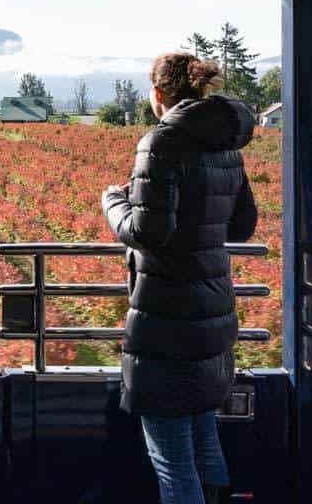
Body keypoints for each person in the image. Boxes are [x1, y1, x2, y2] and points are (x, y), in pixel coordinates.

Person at [101, 53, 257, 504]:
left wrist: (113, 202)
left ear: (158, 94)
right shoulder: (226, 143)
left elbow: (147, 232)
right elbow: (241, 225)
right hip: (213, 317)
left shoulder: (161, 142)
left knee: (171, 460)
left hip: (166, 320)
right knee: (205, 439)